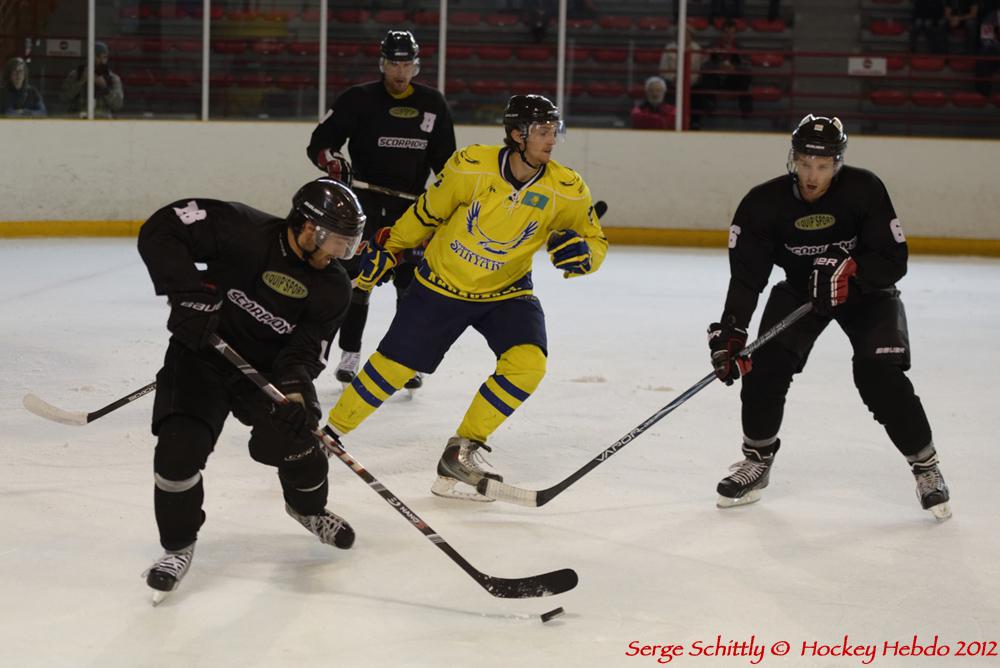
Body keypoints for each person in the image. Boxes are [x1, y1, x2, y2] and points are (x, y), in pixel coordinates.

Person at [324, 94, 608, 501]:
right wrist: (391, 248)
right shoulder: (471, 166)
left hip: (507, 293)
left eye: (554, 131)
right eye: (542, 131)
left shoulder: (567, 188)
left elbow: (595, 240)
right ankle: (327, 436)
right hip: (442, 285)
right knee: (393, 369)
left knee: (527, 365)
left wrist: (585, 256)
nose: (551, 140)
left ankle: (461, 451)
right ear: (517, 134)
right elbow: (426, 213)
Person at [706, 115, 951, 521]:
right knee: (764, 362)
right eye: (805, 163)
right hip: (801, 291)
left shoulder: (864, 189)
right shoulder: (762, 203)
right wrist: (733, 329)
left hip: (865, 292)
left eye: (822, 166)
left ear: (837, 163)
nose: (812, 176)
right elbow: (747, 277)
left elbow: (894, 259)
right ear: (793, 158)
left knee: (878, 374)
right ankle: (757, 460)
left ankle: (926, 466)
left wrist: (854, 273)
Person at [136, 178, 366, 602]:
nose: (340, 254)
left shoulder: (333, 287)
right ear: (309, 228)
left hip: (266, 374)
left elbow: (303, 352)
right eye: (337, 242)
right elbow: (163, 227)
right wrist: (187, 293)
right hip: (201, 356)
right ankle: (178, 546)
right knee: (177, 453)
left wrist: (296, 396)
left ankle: (307, 510)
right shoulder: (240, 229)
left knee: (302, 442)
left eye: (347, 246)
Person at [307, 29, 456, 392]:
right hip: (365, 205)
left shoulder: (433, 104)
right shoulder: (357, 99)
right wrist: (333, 161)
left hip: (412, 209)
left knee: (412, 287)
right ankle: (350, 353)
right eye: (393, 64)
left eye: (406, 64)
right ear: (382, 63)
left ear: (416, 66)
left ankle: (409, 360)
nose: (400, 72)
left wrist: (452, 197)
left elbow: (447, 163)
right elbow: (321, 143)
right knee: (358, 281)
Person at [61, 41, 124, 118]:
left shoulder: (113, 78)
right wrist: (81, 81)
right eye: (97, 57)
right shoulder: (75, 75)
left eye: (104, 57)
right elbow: (64, 98)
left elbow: (118, 105)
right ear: (90, 57)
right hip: (78, 121)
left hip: (103, 122)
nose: (101, 61)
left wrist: (104, 87)